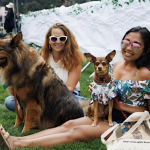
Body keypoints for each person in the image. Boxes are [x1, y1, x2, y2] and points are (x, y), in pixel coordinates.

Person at [1, 26, 150, 149]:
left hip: (126, 122)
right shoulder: (114, 65)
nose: (129, 47)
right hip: (102, 115)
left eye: (136, 44)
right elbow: (105, 90)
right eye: (126, 41)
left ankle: (17, 144)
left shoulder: (145, 74)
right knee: (69, 124)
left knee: (76, 131)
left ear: (145, 50)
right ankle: (12, 138)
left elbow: (147, 111)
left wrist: (117, 104)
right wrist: (96, 94)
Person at [4, 22, 88, 112]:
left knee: (88, 107)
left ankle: (43, 112)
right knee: (10, 101)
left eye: (62, 38)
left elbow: (70, 88)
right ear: (49, 40)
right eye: (54, 39)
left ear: (67, 40)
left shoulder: (74, 59)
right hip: (42, 94)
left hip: (68, 95)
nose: (58, 42)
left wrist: (48, 100)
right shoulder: (41, 56)